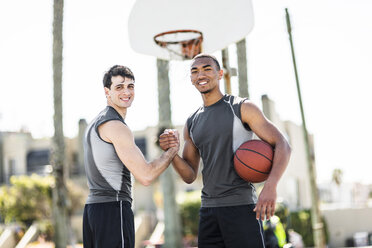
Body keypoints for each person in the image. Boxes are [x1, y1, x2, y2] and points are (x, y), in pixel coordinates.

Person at [159, 54, 291, 248]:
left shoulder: (241, 107)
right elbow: (189, 175)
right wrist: (171, 153)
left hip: (241, 207)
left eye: (207, 69)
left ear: (220, 74)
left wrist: (271, 185)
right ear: (191, 79)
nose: (200, 75)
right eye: (194, 71)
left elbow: (282, 144)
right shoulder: (192, 121)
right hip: (209, 211)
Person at [83, 65, 179, 248]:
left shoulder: (94, 123)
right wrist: (172, 151)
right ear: (107, 92)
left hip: (93, 211)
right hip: (113, 209)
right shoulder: (115, 126)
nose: (126, 92)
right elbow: (146, 175)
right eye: (119, 87)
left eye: (130, 86)